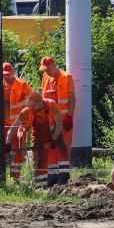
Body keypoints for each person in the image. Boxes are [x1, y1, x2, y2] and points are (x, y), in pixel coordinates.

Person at [6, 91, 67, 190]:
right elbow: (13, 127)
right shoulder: (27, 111)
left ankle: (64, 181)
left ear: (39, 102)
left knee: (63, 153)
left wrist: (54, 139)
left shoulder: (51, 105)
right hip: (39, 139)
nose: (31, 108)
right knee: (39, 164)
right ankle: (40, 188)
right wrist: (7, 142)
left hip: (55, 135)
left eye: (33, 105)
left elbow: (59, 125)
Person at [0, 62, 33, 179]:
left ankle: (15, 176)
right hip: (4, 124)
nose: (6, 77)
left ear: (12, 73)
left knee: (19, 150)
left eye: (8, 74)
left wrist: (27, 114)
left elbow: (33, 96)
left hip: (18, 125)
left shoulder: (21, 84)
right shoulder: (0, 84)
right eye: (4, 75)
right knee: (1, 150)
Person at [39, 56, 76, 186]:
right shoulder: (45, 78)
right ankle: (52, 177)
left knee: (63, 148)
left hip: (64, 121)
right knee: (51, 148)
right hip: (50, 122)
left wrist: (70, 117)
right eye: (44, 70)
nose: (46, 72)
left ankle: (64, 177)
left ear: (54, 65)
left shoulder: (66, 78)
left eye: (47, 69)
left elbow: (73, 99)